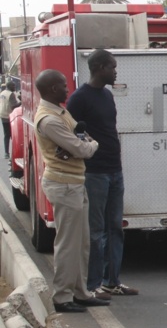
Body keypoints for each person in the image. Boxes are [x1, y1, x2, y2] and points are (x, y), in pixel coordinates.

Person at [34, 69, 109, 313]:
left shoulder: (60, 111)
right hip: (64, 185)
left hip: (74, 182)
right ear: (53, 89)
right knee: (68, 244)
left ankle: (80, 292)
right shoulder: (50, 119)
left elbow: (80, 135)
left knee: (81, 242)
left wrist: (84, 142)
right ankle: (63, 297)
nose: (69, 89)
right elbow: (82, 147)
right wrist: (91, 144)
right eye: (64, 85)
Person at [66, 49, 138, 299]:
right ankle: (93, 284)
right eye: (112, 67)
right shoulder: (79, 98)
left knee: (115, 227)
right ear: (99, 68)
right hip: (94, 172)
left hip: (114, 170)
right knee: (96, 232)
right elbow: (72, 133)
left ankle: (111, 281)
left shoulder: (107, 95)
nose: (116, 71)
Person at [0, 81, 20, 159]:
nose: (14, 87)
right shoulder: (11, 94)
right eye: (13, 86)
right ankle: (14, 152)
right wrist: (22, 102)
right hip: (9, 116)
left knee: (6, 134)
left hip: (2, 114)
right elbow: (13, 106)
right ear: (10, 86)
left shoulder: (2, 93)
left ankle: (6, 152)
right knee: (13, 135)